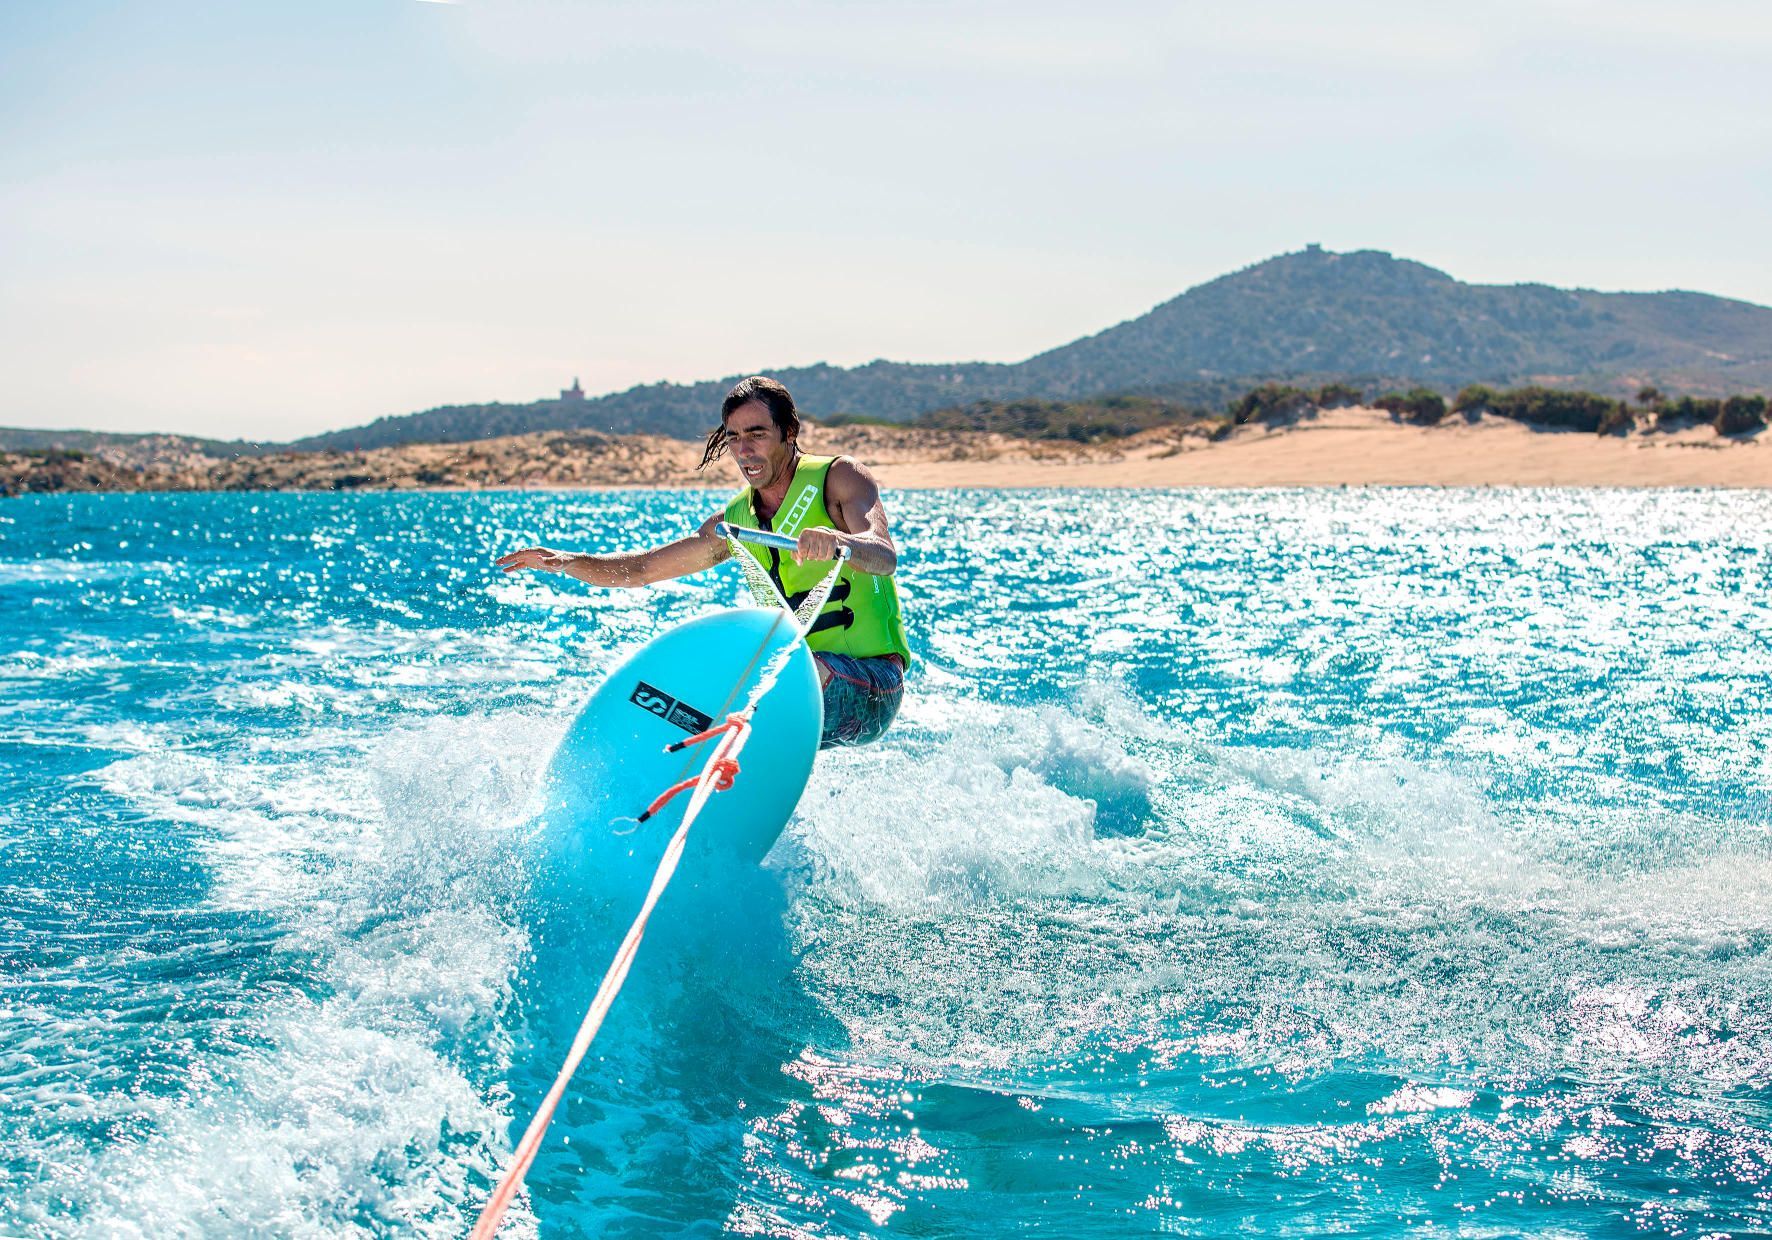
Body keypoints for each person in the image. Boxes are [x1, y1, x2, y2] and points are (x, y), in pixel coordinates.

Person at [496, 376, 910, 748]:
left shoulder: (840, 478)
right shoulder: (735, 524)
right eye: (733, 438)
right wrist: (565, 561)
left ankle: (734, 750)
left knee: (784, 681)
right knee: (709, 689)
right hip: (800, 690)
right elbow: (641, 570)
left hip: (871, 686)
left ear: (789, 432)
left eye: (757, 434)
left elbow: (883, 554)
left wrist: (840, 542)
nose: (744, 450)